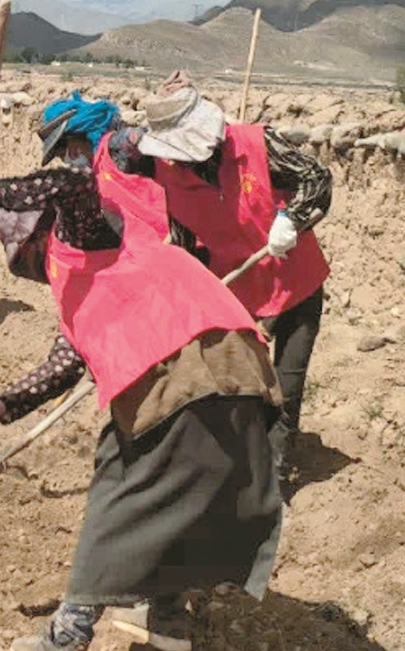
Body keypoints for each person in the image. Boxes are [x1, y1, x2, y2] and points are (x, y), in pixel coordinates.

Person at [0, 164, 285, 651]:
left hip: (182, 370)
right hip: (239, 368)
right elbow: (58, 371)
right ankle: (166, 616)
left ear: (37, 236)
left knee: (121, 489)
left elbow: (77, 183)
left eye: (25, 258)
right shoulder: (91, 279)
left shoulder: (83, 235)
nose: (32, 271)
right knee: (181, 496)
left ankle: (65, 640)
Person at [108, 75, 332, 474]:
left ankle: (273, 476)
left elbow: (317, 178)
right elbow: (182, 237)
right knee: (240, 381)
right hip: (238, 292)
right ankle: (234, 461)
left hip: (296, 281)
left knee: (287, 385)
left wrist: (292, 219)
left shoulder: (258, 145)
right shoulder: (168, 174)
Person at [35, 92, 167, 238]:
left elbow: (141, 137)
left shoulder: (115, 146)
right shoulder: (97, 168)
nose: (66, 162)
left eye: (63, 154)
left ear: (74, 140)